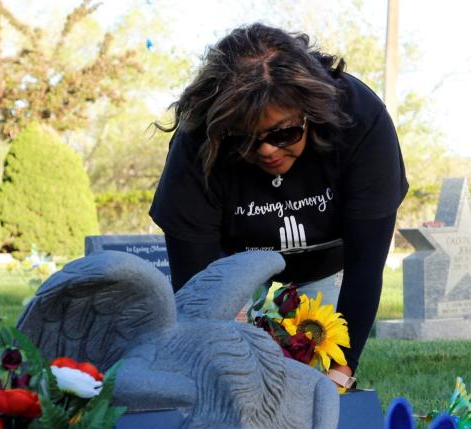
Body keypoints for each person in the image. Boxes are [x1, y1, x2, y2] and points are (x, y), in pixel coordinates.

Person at [149, 23, 407, 391]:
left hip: (330, 259)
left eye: (284, 133)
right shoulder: (197, 141)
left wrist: (339, 374)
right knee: (225, 381)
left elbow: (366, 268)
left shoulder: (361, 120)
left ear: (311, 113)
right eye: (244, 139)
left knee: (320, 381)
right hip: (231, 262)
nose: (267, 150)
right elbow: (199, 292)